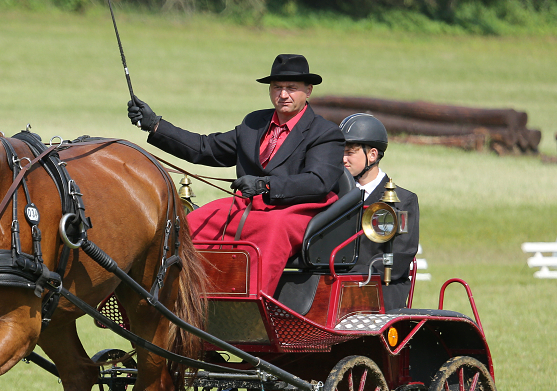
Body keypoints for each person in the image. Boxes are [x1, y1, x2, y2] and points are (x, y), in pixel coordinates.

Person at [127, 54, 348, 295]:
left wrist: (266, 185)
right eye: (277, 88)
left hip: (297, 211)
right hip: (248, 206)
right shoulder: (254, 122)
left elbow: (317, 182)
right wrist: (156, 125)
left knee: (272, 228)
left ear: (308, 91)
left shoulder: (325, 132)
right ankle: (178, 298)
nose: (283, 95)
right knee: (192, 225)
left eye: (291, 88)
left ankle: (249, 310)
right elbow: (206, 148)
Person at [341, 113, 419, 311]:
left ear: (372, 155)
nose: (343, 159)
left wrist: (353, 277)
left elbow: (400, 256)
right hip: (337, 288)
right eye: (341, 152)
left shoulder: (403, 201)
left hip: (380, 292)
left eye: (350, 152)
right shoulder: (334, 197)